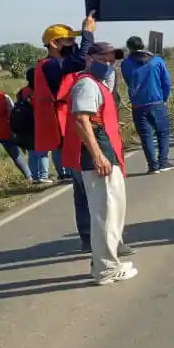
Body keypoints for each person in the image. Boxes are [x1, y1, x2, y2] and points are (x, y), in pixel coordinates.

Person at [64, 43, 138, 284]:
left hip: (107, 152)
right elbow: (81, 121)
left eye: (112, 60)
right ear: (89, 58)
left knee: (112, 212)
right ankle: (106, 269)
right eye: (103, 59)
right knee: (105, 213)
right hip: (99, 155)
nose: (109, 63)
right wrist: (97, 155)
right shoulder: (86, 84)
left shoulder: (97, 84)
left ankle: (103, 261)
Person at [34, 14, 96, 252]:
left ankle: (89, 238)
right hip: (69, 135)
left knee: (83, 190)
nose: (74, 44)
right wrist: (88, 33)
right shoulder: (50, 66)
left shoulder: (53, 66)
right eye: (68, 41)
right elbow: (80, 60)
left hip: (70, 132)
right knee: (88, 189)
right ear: (54, 44)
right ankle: (94, 239)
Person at [121, 35, 174, 174]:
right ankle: (163, 162)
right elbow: (166, 82)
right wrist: (164, 97)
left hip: (138, 105)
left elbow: (128, 82)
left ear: (129, 48)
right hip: (157, 102)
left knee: (146, 136)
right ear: (142, 45)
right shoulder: (157, 61)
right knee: (162, 133)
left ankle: (152, 166)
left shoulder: (125, 63)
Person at [0, 76, 32, 189]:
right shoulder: (3, 97)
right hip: (5, 131)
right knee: (16, 155)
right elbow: (12, 113)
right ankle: (29, 177)